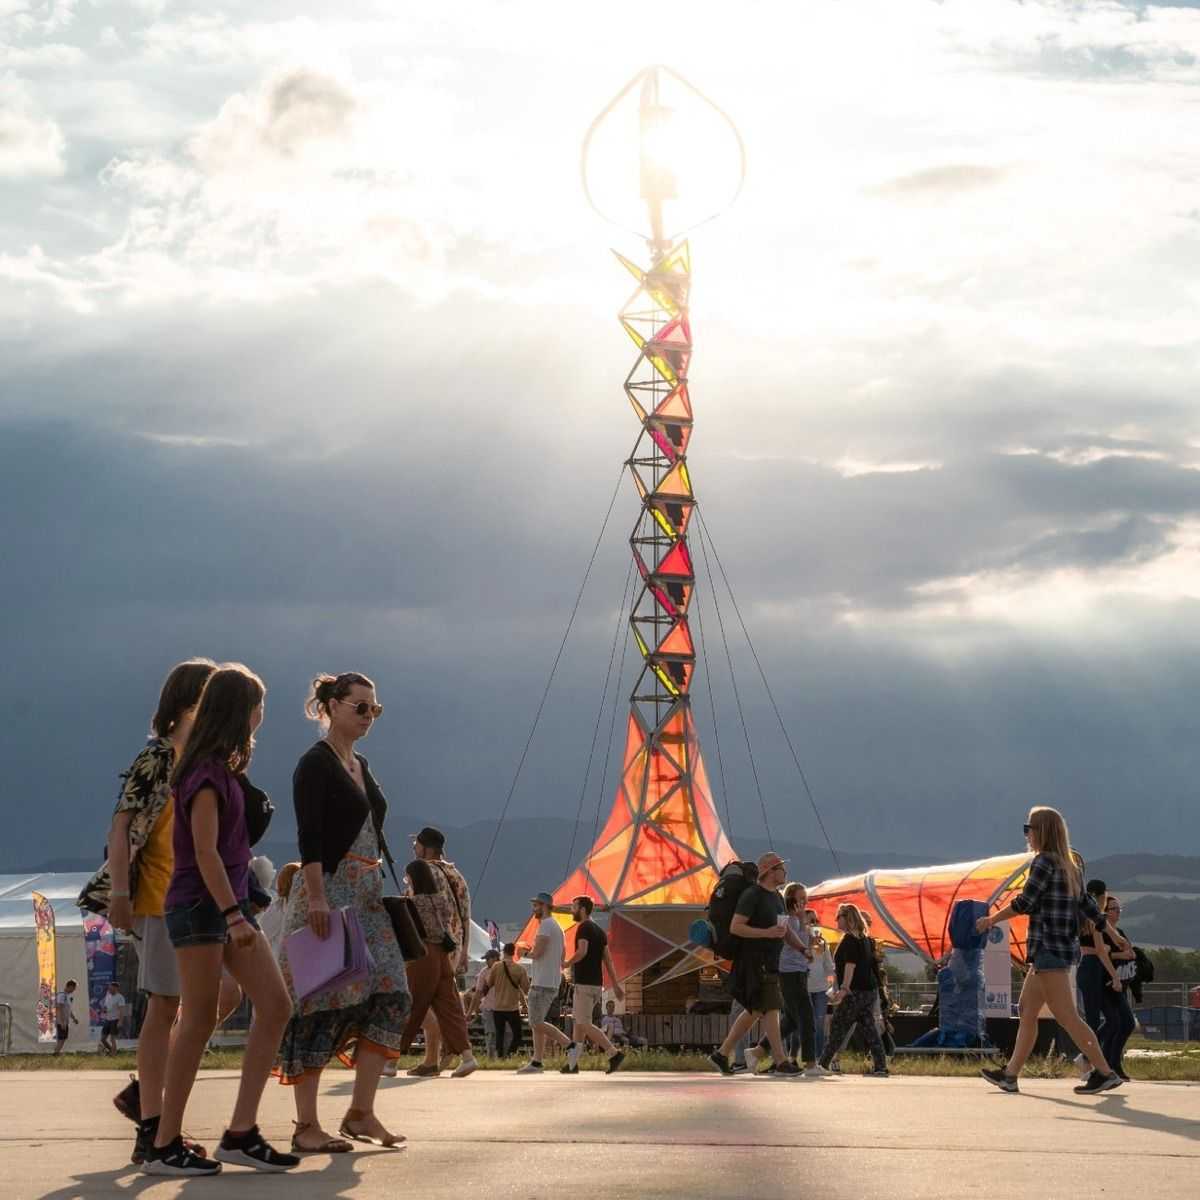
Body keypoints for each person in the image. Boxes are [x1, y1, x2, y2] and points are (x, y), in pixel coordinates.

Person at [146, 664, 298, 1175]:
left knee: (274, 1005)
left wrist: (238, 908)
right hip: (200, 905)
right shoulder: (204, 772)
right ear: (239, 709)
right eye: (258, 705)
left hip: (228, 904)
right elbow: (205, 853)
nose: (261, 715)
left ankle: (240, 1132)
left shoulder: (225, 768)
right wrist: (234, 916)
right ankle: (163, 1143)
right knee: (196, 1019)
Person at [78, 658, 216, 1160]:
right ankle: (152, 1124)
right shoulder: (157, 757)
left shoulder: (204, 759)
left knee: (209, 998)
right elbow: (121, 826)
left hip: (194, 899)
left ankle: (149, 1099)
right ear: (188, 704)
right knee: (165, 1006)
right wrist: (118, 892)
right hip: (159, 896)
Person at [275, 672, 411, 1152]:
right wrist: (315, 896)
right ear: (331, 706)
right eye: (360, 707)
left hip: (369, 895)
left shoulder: (362, 762)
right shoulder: (314, 764)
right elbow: (310, 835)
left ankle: (360, 1112)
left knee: (393, 992)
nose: (369, 716)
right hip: (329, 891)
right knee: (321, 1001)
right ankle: (306, 1126)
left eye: (374, 709)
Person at [977, 806, 1121, 1096]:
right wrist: (1111, 931)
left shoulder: (1043, 862)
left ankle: (1104, 1072)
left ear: (1042, 831)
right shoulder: (1071, 866)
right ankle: (1010, 1074)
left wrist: (991, 919)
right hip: (1058, 949)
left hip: (1047, 949)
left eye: (1029, 829)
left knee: (1067, 1016)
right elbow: (1088, 905)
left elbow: (1025, 902)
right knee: (1027, 1009)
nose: (1027, 835)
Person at [708, 853, 801, 1077]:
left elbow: (785, 929)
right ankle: (780, 1061)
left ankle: (721, 1054)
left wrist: (802, 948)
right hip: (754, 960)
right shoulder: (752, 895)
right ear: (769, 871)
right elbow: (736, 927)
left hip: (770, 961)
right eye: (781, 868)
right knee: (771, 1008)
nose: (785, 873)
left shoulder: (777, 897)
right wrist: (766, 933)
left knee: (756, 1010)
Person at [399, 826, 478, 1079]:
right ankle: (440, 1058)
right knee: (443, 1002)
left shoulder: (423, 871)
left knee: (419, 1000)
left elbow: (412, 911)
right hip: (451, 945)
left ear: (425, 847)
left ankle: (397, 1057)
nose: (413, 849)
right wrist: (464, 951)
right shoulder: (456, 874)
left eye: (416, 845)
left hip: (426, 946)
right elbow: (466, 917)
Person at [747, 881, 820, 1075]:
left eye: (806, 898)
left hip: (800, 970)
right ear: (791, 899)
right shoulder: (786, 917)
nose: (804, 901)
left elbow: (804, 941)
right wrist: (800, 922)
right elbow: (788, 940)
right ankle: (811, 1064)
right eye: (800, 898)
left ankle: (757, 1051)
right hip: (789, 971)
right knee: (806, 1016)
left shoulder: (799, 917)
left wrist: (808, 934)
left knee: (791, 1021)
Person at [816, 904, 888, 1077]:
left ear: (847, 918)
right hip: (868, 991)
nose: (836, 920)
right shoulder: (866, 940)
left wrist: (844, 988)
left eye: (838, 916)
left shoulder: (849, 940)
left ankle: (823, 1064)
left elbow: (850, 966)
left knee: (838, 1027)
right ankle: (880, 1066)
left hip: (854, 991)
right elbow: (872, 968)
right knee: (870, 1029)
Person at [560, 896, 627, 1075]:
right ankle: (572, 1064)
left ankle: (613, 1053)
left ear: (582, 909)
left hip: (584, 983)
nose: (571, 910)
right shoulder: (599, 931)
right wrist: (615, 984)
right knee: (579, 1026)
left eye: (574, 907)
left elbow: (582, 951)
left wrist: (567, 963)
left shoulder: (583, 927)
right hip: (597, 985)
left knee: (584, 1023)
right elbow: (608, 960)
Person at [516, 891, 571, 1073]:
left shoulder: (545, 925)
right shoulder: (558, 928)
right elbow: (562, 956)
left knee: (536, 1022)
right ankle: (537, 1062)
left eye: (537, 905)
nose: (534, 909)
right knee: (537, 1022)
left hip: (541, 981)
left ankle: (569, 1045)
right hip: (553, 980)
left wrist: (524, 952)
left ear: (546, 906)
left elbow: (537, 953)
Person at [1098, 895, 1137, 1082]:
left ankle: (1110, 1062)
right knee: (1119, 1022)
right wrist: (1122, 953)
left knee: (1122, 1023)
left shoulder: (1119, 931)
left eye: (1120, 908)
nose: (1118, 911)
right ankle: (1105, 1061)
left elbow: (1130, 951)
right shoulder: (1103, 932)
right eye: (1114, 909)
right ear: (1105, 911)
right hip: (1107, 983)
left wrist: (1126, 952)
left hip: (1120, 983)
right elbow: (1103, 954)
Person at [483, 943, 529, 1058]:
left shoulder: (496, 967)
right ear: (514, 953)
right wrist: (525, 1004)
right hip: (512, 1008)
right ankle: (510, 1054)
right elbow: (526, 989)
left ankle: (500, 1057)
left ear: (504, 952)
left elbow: (488, 984)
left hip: (498, 1007)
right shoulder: (520, 969)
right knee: (518, 1035)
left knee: (500, 1034)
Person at [805, 912, 835, 1063]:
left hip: (821, 988)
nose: (813, 924)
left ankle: (818, 1058)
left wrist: (833, 984)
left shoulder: (823, 942)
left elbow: (829, 965)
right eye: (811, 920)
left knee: (819, 1022)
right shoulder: (799, 939)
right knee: (802, 1023)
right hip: (804, 986)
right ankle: (795, 1057)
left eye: (815, 921)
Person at [465, 949, 501, 1057]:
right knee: (491, 1034)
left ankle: (503, 1058)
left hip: (503, 1007)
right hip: (488, 1007)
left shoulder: (505, 970)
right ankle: (491, 1058)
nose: (486, 961)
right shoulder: (484, 972)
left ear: (495, 959)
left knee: (504, 1034)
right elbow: (477, 993)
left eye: (488, 959)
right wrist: (470, 1012)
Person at [53, 979, 79, 1055]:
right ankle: (56, 1053)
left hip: (65, 1020)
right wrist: (62, 1022)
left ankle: (57, 1051)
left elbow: (68, 1010)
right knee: (62, 1038)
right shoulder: (62, 995)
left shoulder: (67, 996)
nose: (74, 990)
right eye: (74, 988)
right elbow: (59, 1008)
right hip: (61, 1021)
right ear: (70, 986)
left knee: (62, 1038)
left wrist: (74, 1018)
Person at [100, 981, 126, 1055]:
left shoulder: (120, 997)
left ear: (116, 988)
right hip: (108, 1019)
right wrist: (104, 1010)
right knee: (103, 1039)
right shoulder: (108, 995)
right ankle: (111, 1050)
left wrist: (120, 1021)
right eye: (109, 988)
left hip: (115, 1020)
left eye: (111, 988)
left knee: (112, 1039)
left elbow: (122, 1010)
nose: (109, 989)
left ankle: (113, 1054)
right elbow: (106, 1006)